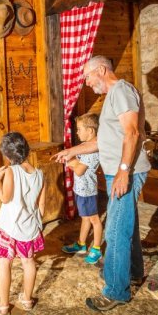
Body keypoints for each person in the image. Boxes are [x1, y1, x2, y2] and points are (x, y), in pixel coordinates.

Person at [53, 55, 151, 312]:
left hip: (124, 171)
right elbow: (104, 140)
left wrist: (123, 171)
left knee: (115, 231)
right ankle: (132, 273)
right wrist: (72, 150)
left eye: (87, 76)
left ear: (102, 69)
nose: (86, 82)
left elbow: (132, 133)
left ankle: (116, 291)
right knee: (126, 224)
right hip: (117, 171)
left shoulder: (121, 90)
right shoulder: (114, 96)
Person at [0, 132, 46, 315]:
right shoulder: (40, 174)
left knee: (4, 263)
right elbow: (42, 205)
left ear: (7, 156)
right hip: (30, 228)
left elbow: (5, 199)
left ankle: (4, 306)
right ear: (27, 149)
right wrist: (37, 224)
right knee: (29, 262)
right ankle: (27, 300)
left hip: (10, 227)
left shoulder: (10, 172)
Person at [61, 112, 103, 265]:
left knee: (94, 220)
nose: (77, 132)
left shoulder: (92, 151)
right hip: (81, 190)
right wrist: (73, 161)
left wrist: (70, 161)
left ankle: (97, 249)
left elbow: (79, 170)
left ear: (90, 131)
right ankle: (81, 244)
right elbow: (78, 165)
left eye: (79, 129)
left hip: (88, 192)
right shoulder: (85, 148)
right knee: (85, 218)